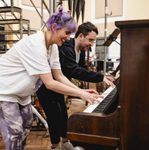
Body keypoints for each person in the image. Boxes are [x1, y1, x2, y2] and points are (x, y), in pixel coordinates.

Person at [0, 7, 101, 150]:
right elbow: (50, 83)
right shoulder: (36, 44)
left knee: (26, 127)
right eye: (66, 32)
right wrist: (81, 94)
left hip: (21, 95)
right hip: (5, 92)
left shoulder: (52, 47)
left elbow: (59, 76)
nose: (68, 37)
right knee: (15, 133)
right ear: (54, 27)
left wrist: (81, 91)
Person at [36, 22, 114, 150]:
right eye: (91, 40)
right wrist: (99, 78)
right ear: (81, 36)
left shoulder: (81, 51)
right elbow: (74, 70)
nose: (92, 44)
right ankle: (55, 145)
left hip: (60, 85)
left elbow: (81, 69)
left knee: (62, 115)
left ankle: (65, 142)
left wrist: (100, 76)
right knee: (53, 115)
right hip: (46, 86)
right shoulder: (66, 47)